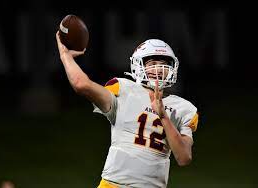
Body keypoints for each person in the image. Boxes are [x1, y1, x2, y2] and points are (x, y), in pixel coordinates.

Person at [56, 31, 199, 188]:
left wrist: (163, 116)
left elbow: (184, 157)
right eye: (152, 63)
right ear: (138, 65)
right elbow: (81, 84)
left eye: (164, 64)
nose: (158, 69)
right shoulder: (123, 90)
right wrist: (65, 55)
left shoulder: (183, 108)